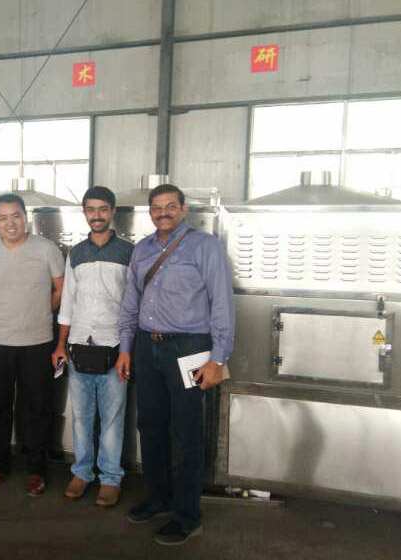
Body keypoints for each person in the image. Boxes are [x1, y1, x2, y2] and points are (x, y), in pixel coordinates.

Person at [116, 184, 235, 546]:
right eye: (156, 207)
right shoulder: (142, 249)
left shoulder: (205, 246)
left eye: (170, 206)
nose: (163, 212)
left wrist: (218, 359)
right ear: (150, 212)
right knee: (150, 425)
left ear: (183, 209)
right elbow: (130, 302)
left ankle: (187, 516)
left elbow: (222, 303)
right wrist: (126, 348)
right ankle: (159, 498)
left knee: (186, 432)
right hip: (146, 346)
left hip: (189, 349)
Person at [0, 193, 65, 496]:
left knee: (38, 407)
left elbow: (60, 290)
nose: (10, 222)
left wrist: (39, 313)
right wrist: (6, 313)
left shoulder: (46, 249)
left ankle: (36, 470)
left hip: (38, 342)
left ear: (26, 217)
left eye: (16, 216)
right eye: (3, 217)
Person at [51, 186, 133, 507]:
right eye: (91, 209)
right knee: (81, 417)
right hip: (78, 347)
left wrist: (127, 350)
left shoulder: (128, 252)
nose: (96, 215)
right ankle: (82, 473)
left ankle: (110, 478)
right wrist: (61, 345)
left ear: (112, 212)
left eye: (102, 209)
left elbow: (133, 305)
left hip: (114, 347)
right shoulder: (76, 252)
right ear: (85, 213)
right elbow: (68, 302)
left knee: (112, 419)